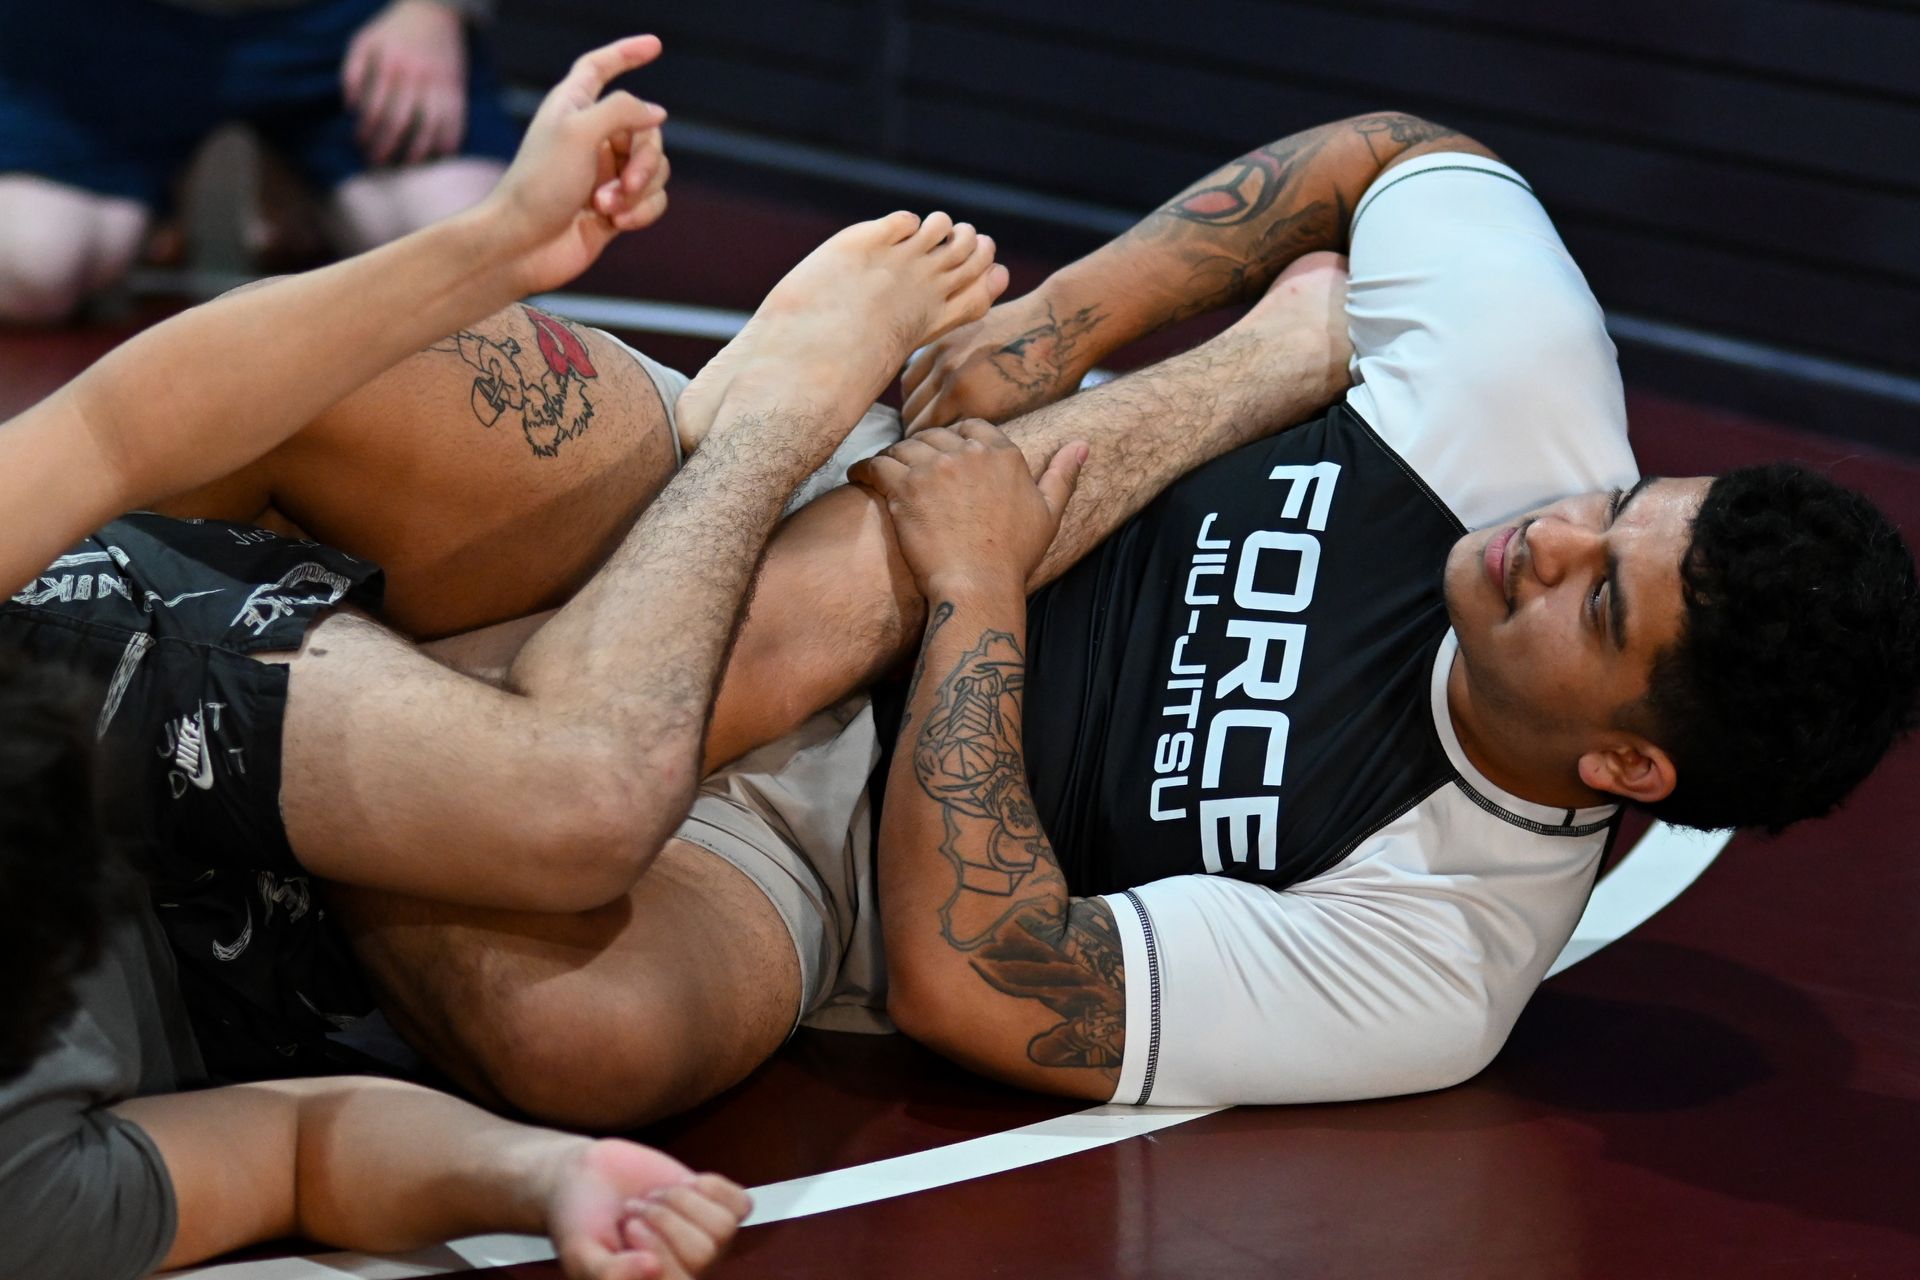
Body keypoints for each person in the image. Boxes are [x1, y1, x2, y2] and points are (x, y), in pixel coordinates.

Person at [212, 112, 1909, 1125]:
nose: (1549, 530)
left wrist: (975, 595)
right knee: (371, 384)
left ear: (1625, 761)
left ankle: (265, 684)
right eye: (1614, 509)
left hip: (825, 866)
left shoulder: (1438, 956)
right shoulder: (1523, 395)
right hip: (823, 507)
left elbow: (989, 984)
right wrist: (1068, 319)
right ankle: (319, 716)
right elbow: (1398, 159)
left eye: (1597, 592)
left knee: (580, 1040)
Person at [0, 36, 790, 1279]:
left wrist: (499, 241)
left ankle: (784, 413)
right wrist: (547, 1176)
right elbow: (300, 1152)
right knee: (588, 1043)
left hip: (87, 688)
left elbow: (116, 423)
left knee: (577, 799)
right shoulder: (24, 1206)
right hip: (242, 960)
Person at [0, 0, 518, 324]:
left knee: (463, 266)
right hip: (102, 21)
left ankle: (293, 163)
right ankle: (174, 174)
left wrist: (437, 7)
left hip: (341, 19)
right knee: (30, 269)